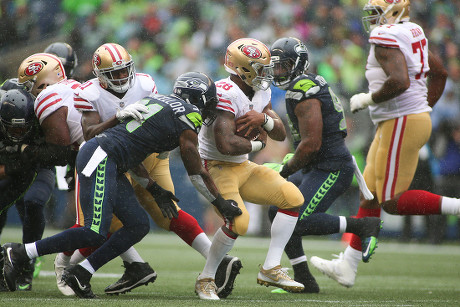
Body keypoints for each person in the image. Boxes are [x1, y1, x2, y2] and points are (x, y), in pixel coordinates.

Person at [2, 71, 242, 299]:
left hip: (110, 158)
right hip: (101, 157)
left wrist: (154, 188)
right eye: (209, 101)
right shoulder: (188, 114)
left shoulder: (158, 101)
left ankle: (81, 273)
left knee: (138, 225)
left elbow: (131, 148)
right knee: (94, 231)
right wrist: (220, 203)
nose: (211, 107)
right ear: (197, 98)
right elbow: (197, 172)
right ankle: (21, 252)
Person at [68, 43, 242, 298]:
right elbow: (90, 133)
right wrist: (118, 115)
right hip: (108, 151)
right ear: (99, 74)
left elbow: (167, 120)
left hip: (145, 153)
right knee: (107, 220)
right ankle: (129, 266)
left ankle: (79, 266)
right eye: (113, 73)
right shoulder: (88, 93)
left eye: (123, 71)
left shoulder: (146, 83)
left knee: (164, 212)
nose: (120, 77)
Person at [310, 0, 456, 288]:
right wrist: (423, 108)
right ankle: (347, 267)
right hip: (398, 120)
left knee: (391, 200)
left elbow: (400, 81)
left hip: (402, 120)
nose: (372, 20)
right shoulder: (413, 32)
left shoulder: (386, 37)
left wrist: (368, 99)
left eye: (376, 13)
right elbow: (439, 73)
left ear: (395, 12)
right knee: (370, 194)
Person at [263, 37, 382, 293]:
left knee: (296, 219)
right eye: (275, 67)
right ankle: (304, 278)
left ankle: (361, 226)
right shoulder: (305, 84)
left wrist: (286, 169)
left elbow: (312, 144)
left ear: (298, 65)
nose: (278, 72)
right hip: (316, 166)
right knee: (277, 211)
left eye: (283, 66)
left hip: (331, 167)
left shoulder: (303, 89)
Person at [195, 38, 305, 300]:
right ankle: (206, 278)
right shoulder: (224, 92)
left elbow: (278, 133)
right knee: (239, 221)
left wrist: (264, 119)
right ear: (243, 69)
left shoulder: (260, 91)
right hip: (217, 167)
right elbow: (225, 144)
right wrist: (257, 143)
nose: (267, 73)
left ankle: (271, 267)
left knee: (293, 198)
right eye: (260, 68)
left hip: (243, 165)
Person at [0, 88, 56, 291]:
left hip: (39, 165)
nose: (19, 134)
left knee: (34, 201)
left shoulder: (44, 118)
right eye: (13, 130)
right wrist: (10, 167)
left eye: (23, 129)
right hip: (12, 167)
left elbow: (57, 154)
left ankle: (27, 263)